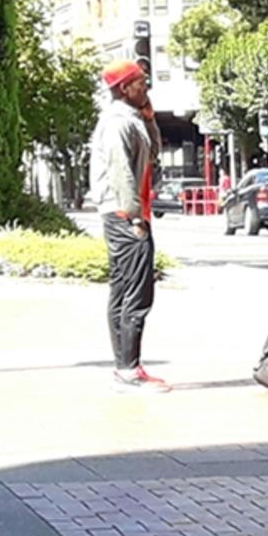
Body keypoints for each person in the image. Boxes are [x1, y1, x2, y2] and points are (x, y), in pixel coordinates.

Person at [90, 59, 168, 392]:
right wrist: (135, 217)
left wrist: (149, 118)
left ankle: (125, 367)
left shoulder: (132, 118)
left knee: (124, 288)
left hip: (126, 213)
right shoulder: (117, 123)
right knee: (136, 291)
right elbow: (121, 172)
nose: (146, 86)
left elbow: (153, 153)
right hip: (125, 215)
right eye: (141, 82)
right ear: (125, 88)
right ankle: (128, 370)